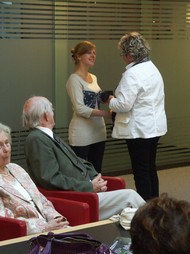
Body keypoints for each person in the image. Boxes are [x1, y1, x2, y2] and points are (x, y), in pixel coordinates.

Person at [22, 96, 145, 221]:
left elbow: (78, 161)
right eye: (52, 110)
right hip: (76, 198)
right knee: (130, 197)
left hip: (85, 191)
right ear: (46, 116)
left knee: (131, 213)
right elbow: (51, 179)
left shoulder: (48, 135)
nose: (53, 114)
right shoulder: (37, 139)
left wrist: (94, 177)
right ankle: (163, 228)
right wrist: (88, 186)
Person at [108, 32, 167, 201]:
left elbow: (124, 104)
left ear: (128, 54)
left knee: (141, 172)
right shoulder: (153, 68)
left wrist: (111, 100)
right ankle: (154, 206)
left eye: (123, 54)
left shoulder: (132, 74)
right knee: (150, 168)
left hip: (139, 130)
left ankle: (145, 210)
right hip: (154, 128)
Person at [0, 123, 69, 235]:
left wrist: (56, 218)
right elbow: (5, 221)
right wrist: (44, 227)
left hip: (50, 228)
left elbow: (40, 199)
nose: (6, 149)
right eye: (0, 146)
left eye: (7, 143)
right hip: (29, 237)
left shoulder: (16, 168)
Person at [66, 40, 111, 173]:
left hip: (99, 131)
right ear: (79, 56)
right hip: (82, 133)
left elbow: (92, 101)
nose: (93, 56)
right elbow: (80, 108)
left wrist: (105, 99)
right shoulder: (74, 79)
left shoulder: (94, 77)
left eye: (94, 53)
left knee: (97, 171)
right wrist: (105, 114)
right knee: (82, 173)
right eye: (88, 53)